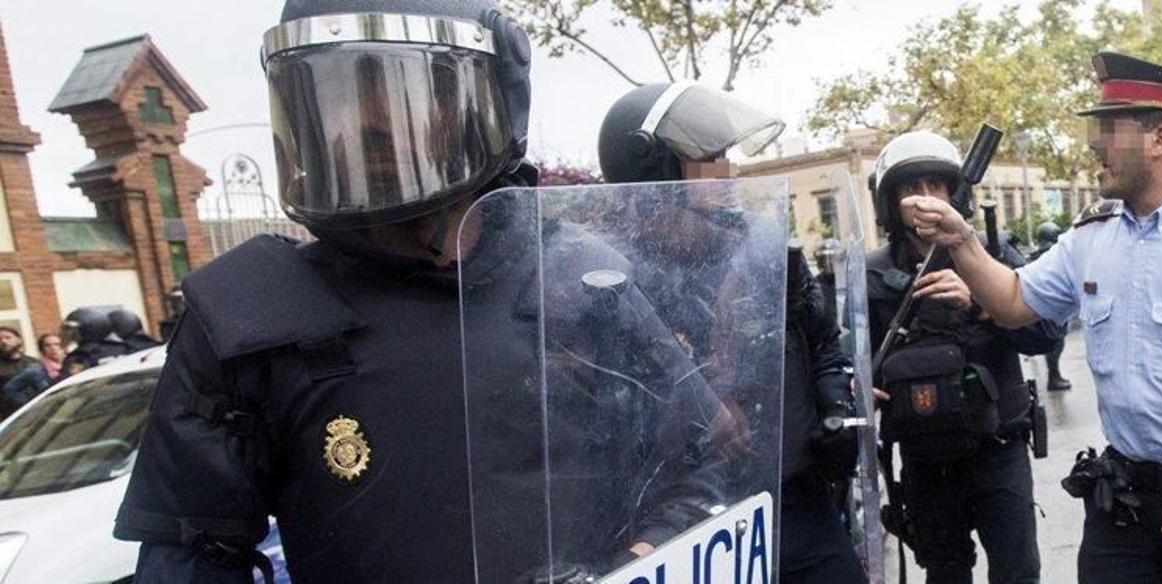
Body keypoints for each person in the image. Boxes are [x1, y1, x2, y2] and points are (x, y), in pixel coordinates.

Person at [113, 2, 723, 581]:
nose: (367, 124)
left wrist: (635, 565)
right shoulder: (253, 317)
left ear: (491, 102)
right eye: (336, 96)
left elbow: (701, 465)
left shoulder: (585, 278)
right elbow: (189, 558)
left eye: (399, 88)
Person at [898, 52, 1162, 583]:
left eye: (1109, 128)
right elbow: (1014, 301)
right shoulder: (1092, 234)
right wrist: (962, 241)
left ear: (1161, 139)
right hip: (1123, 500)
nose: (1094, 142)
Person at [595, 82, 867, 584]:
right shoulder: (612, 280)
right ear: (653, 169)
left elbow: (825, 343)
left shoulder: (767, 252)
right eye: (707, 159)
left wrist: (834, 408)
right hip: (686, 528)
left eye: (725, 155)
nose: (729, 171)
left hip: (797, 501)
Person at [867, 129, 1063, 584]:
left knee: (1018, 573)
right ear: (890, 201)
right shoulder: (873, 274)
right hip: (925, 458)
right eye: (911, 190)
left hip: (999, 450)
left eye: (936, 186)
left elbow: (1048, 334)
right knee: (945, 573)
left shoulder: (991, 253)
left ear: (955, 193)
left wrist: (981, 299)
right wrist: (863, 385)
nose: (925, 199)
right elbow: (848, 361)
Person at [1029, 222, 1071, 392]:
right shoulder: (1051, 251)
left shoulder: (1038, 252)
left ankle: (1055, 376)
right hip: (1053, 305)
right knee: (1056, 343)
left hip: (1046, 304)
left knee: (1056, 342)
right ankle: (1054, 378)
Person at [0, 333, 68, 415]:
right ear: (42, 349)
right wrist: (29, 407)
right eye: (47, 345)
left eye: (57, 344)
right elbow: (10, 388)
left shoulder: (72, 364)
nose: (53, 348)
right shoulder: (36, 369)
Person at [0, 327, 37, 391]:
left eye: (8, 337)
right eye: (0, 339)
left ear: (18, 340)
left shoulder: (33, 362)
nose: (3, 341)